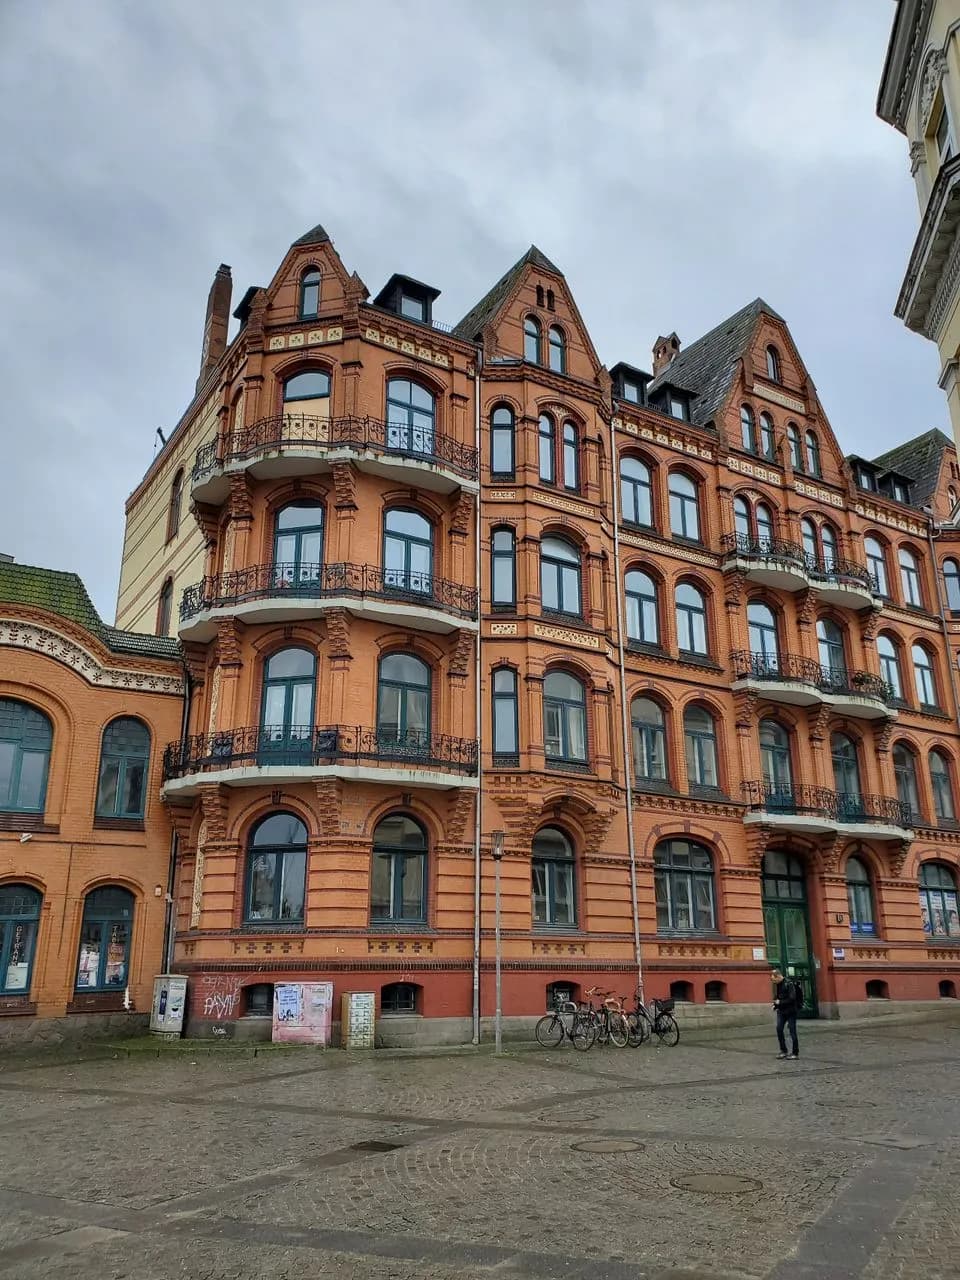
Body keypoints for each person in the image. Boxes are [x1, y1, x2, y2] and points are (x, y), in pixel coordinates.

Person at [771, 969, 801, 1060]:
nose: (773, 981)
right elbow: (778, 998)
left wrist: (780, 1002)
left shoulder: (789, 983)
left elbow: (792, 998)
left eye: (774, 979)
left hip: (791, 1011)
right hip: (781, 1011)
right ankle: (783, 1051)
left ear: (778, 976)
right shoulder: (776, 985)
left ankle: (795, 1053)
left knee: (792, 1031)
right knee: (779, 1029)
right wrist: (775, 1005)